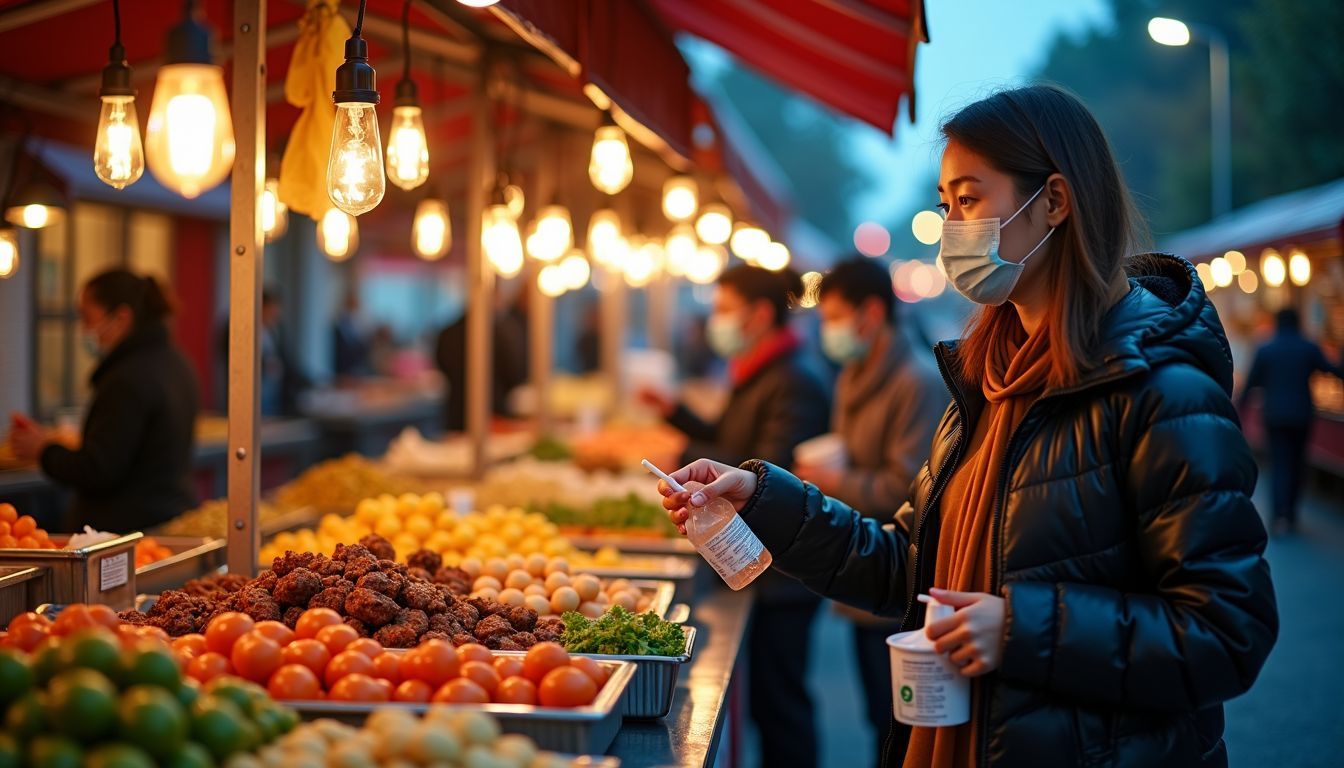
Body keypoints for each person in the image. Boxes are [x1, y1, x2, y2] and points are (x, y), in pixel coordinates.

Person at [657, 85, 1277, 768]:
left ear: (1055, 201)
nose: (953, 226)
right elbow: (908, 569)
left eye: (971, 199)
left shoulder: (1162, 391)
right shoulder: (986, 384)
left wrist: (1018, 628)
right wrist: (764, 500)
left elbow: (1226, 631)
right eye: (945, 204)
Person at [641, 264, 830, 768]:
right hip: (753, 557)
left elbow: (768, 468)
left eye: (724, 309)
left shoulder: (793, 381)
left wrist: (683, 444)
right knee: (772, 700)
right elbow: (732, 441)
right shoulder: (759, 371)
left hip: (782, 568)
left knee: (781, 703)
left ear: (760, 314)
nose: (715, 320)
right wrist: (676, 413)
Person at [798, 256, 945, 758]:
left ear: (873, 313)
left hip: (898, 576)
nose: (827, 330)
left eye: (835, 317)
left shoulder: (917, 383)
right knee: (875, 721)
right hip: (860, 562)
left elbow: (913, 492)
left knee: (898, 728)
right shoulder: (853, 375)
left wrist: (836, 480)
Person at [9, 269, 199, 532]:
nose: (84, 330)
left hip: (123, 533)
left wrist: (43, 450)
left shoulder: (128, 379)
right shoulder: (176, 363)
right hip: (165, 518)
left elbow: (99, 470)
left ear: (121, 318)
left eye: (87, 318)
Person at [1239, 307, 1344, 534]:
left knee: (1279, 464)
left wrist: (1239, 411)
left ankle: (1279, 516)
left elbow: (1250, 384)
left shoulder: (1266, 349)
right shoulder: (1308, 347)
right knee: (1297, 463)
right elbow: (1333, 371)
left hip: (1274, 415)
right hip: (1301, 415)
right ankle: (1292, 513)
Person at [435, 286, 530, 431]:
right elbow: (515, 372)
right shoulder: (500, 334)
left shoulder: (447, 332)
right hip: (493, 410)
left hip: (456, 410)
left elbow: (441, 365)